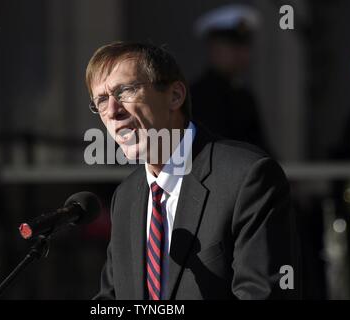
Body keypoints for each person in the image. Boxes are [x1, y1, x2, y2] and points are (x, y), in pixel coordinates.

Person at [85, 41, 300, 299]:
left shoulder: (248, 178)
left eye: (125, 91)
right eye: (100, 101)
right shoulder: (126, 197)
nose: (112, 111)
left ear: (175, 95)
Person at [191, 4, 269, 152]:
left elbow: (261, 148)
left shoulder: (244, 96)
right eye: (232, 46)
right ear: (213, 47)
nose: (241, 53)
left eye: (245, 45)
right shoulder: (198, 95)